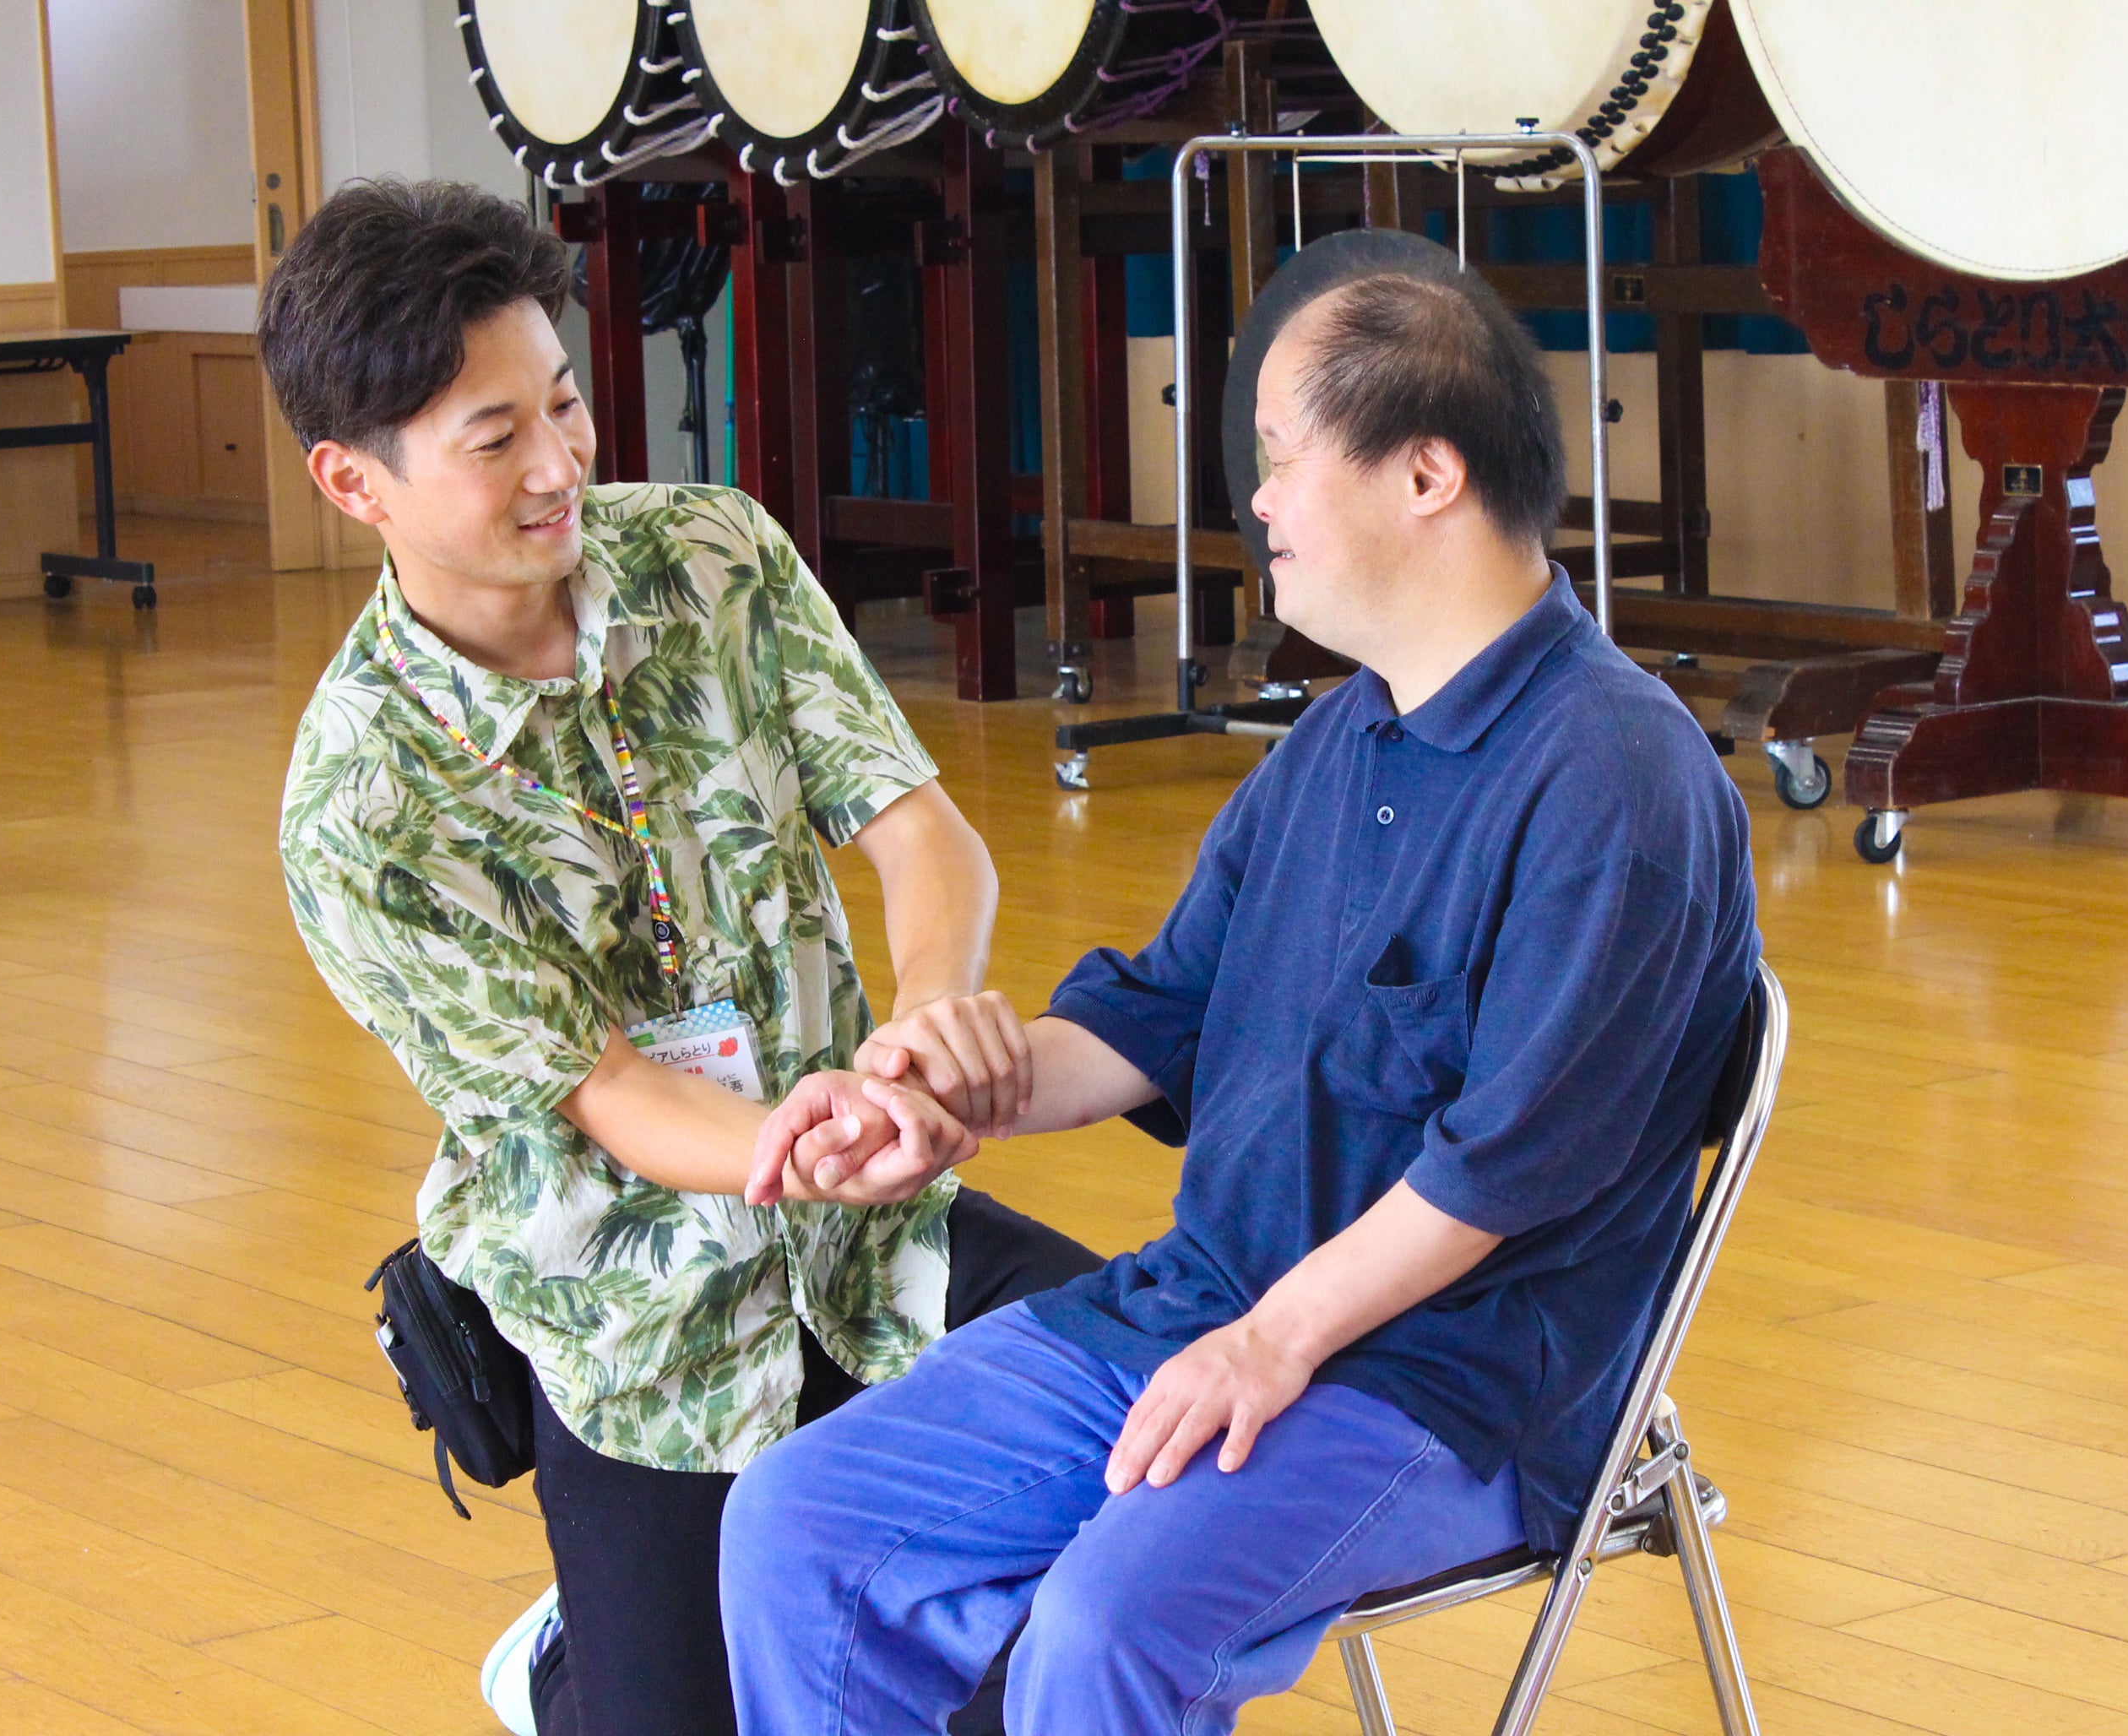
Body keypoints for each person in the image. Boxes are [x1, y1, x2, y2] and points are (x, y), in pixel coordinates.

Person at [719, 263, 1762, 1734]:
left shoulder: (1618, 781)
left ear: (1427, 475)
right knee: (800, 1523)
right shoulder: (1340, 740)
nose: (1257, 501)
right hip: (1208, 1309)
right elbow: (1157, 1017)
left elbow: (1502, 1171)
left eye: (1279, 457)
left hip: (1450, 1385)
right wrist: (939, 1095)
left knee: (1106, 1627)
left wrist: (1276, 1341)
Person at [262, 178, 1094, 1736]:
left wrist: (918, 1043)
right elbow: (614, 1095)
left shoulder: (713, 553)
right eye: (493, 440)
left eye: (564, 405)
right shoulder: (360, 808)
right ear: (351, 480)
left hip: (881, 1233)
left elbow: (923, 835)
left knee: (1165, 1443)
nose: (558, 465)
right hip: (644, 1325)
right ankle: (575, 1657)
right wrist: (796, 1143)